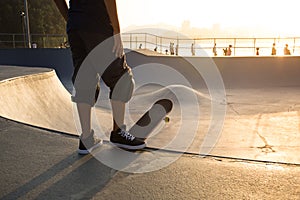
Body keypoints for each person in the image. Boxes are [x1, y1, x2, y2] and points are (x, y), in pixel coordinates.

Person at [53, 0, 146, 154]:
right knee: (121, 78)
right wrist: (116, 31)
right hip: (98, 25)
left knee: (84, 79)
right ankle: (118, 133)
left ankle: (86, 138)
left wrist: (72, 19)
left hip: (75, 28)